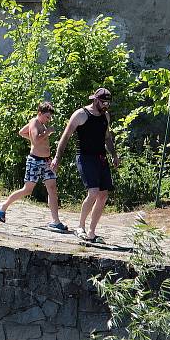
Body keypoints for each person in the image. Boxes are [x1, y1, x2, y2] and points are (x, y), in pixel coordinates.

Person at [51, 88, 120, 243]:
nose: (106, 106)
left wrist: (114, 155)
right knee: (94, 192)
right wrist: (57, 157)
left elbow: (107, 137)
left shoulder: (105, 116)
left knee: (103, 195)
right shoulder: (81, 114)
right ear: (95, 100)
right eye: (103, 102)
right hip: (85, 157)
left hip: (100, 157)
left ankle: (91, 232)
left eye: (108, 103)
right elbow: (65, 137)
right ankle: (80, 227)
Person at [0, 102, 68, 232]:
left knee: (52, 188)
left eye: (49, 117)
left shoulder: (41, 124)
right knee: (28, 189)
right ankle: (3, 206)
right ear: (40, 113)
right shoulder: (34, 122)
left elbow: (22, 132)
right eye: (47, 116)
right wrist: (48, 132)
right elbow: (35, 140)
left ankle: (56, 221)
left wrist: (42, 132)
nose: (48, 119)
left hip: (46, 161)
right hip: (35, 161)